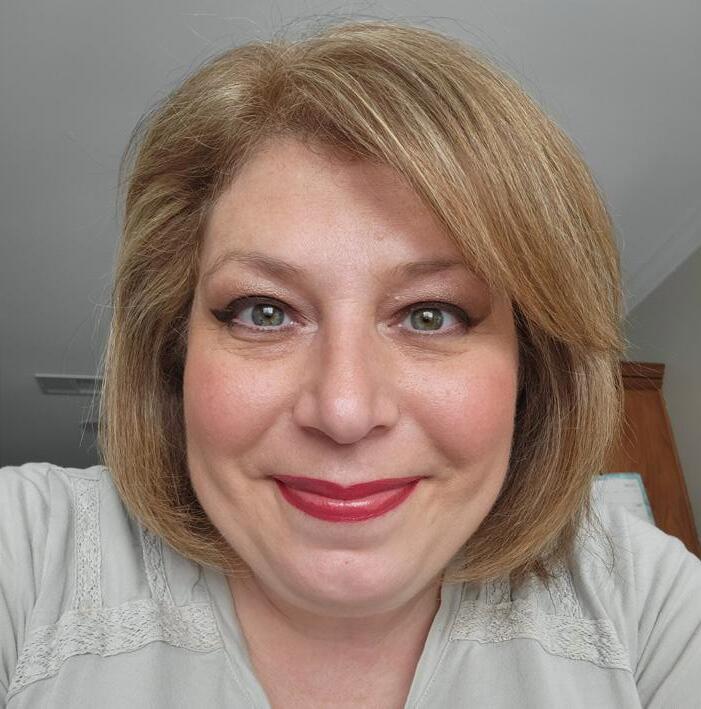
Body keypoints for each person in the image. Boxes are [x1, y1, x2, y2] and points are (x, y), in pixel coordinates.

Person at [1, 19, 699, 709]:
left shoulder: (645, 603)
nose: (343, 410)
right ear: (172, 350)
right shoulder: (29, 550)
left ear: (532, 369)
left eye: (430, 315)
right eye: (264, 312)